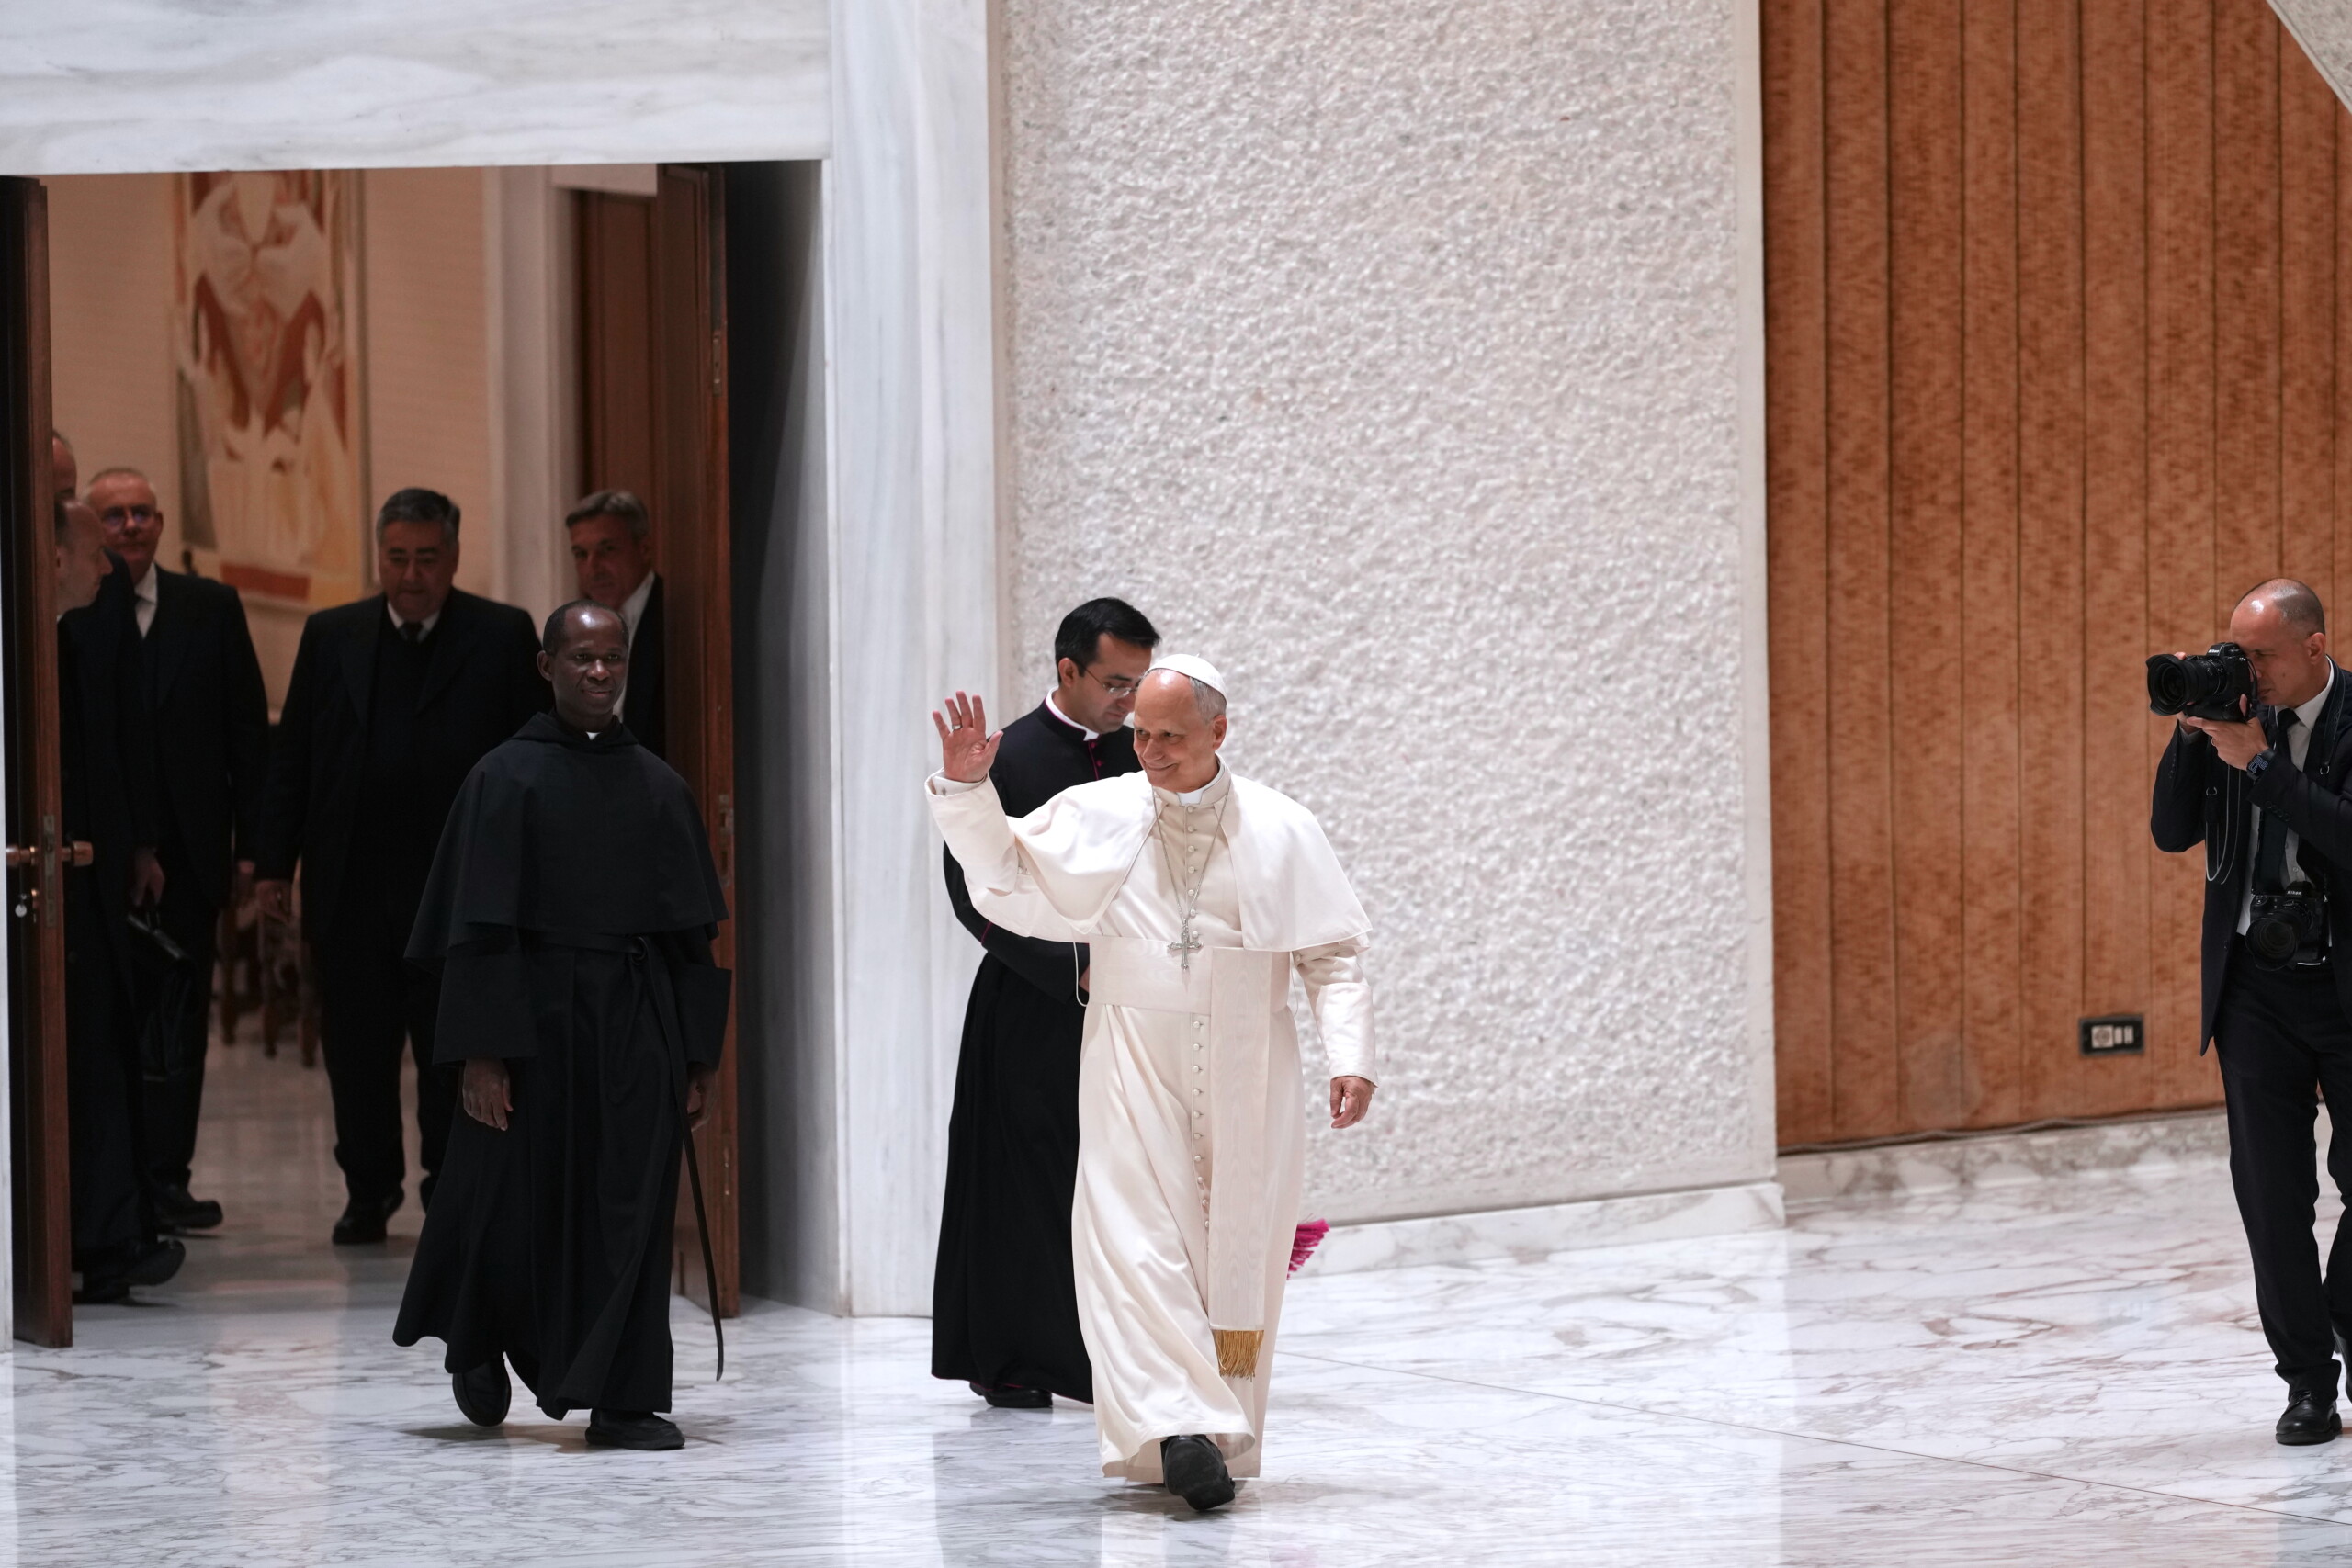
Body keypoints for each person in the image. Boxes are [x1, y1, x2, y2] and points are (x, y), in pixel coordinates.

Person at [927, 658, 1377, 1511]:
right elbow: (1007, 871)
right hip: (1133, 1049)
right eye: (1141, 733)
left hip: (1253, 1058)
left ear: (1219, 730)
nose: (1152, 751)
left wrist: (1350, 1054)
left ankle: (1214, 1432)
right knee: (1132, 1241)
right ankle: (1177, 1430)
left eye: (1171, 735)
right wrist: (966, 789)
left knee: (1234, 1255)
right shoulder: (1100, 812)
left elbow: (1332, 954)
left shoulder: (1281, 826)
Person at [394, 599, 730, 1451]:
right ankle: (478, 1343)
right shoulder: (501, 779)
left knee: (630, 1208)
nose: (599, 672)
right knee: (505, 1201)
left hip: (631, 1022)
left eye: (612, 657)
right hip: (527, 1023)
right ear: (547, 667)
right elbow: (476, 927)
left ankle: (624, 1398)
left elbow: (690, 936)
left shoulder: (660, 787)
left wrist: (696, 1056)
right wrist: (479, 1052)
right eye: (581, 657)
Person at [254, 489, 543, 1246]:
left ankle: (450, 1188)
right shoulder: (332, 635)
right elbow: (295, 762)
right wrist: (272, 865)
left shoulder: (501, 634)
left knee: (453, 1050)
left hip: (458, 890)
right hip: (354, 883)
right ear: (377, 557)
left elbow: (531, 760)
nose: (411, 575)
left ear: (452, 557)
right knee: (358, 1052)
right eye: (397, 557)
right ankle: (368, 1188)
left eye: (427, 558)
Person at [934, 598, 1159, 1411]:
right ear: (1067, 670)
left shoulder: (1146, 761)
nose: (1129, 702)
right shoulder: (1012, 756)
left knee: (1118, 1180)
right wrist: (1072, 967)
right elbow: (971, 894)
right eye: (1114, 682)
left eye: (1140, 682)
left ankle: (1116, 1355)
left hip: (1133, 1002)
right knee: (1024, 1182)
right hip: (1032, 1000)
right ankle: (1017, 1358)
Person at [2154, 577, 2352, 1446]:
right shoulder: (2234, 719)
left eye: (2262, 653)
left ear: (2315, 645)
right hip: (2254, 990)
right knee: (2271, 1199)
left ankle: (2344, 1313)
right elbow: (2169, 830)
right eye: (2236, 650)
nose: (2249, 668)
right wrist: (2195, 730)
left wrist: (2261, 765)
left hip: (2346, 982)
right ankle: (2307, 1382)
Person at [84, 466, 269, 1235]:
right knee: (108, 1023)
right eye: (114, 515)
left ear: (160, 523)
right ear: (90, 529)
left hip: (192, 857)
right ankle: (114, 1181)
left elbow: (246, 733)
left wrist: (257, 850)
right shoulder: (74, 607)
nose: (130, 525)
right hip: (100, 855)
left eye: (142, 513)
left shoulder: (209, 607)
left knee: (180, 1021)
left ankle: (169, 1177)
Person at [54, 495, 181, 1303]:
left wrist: (140, 841)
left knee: (105, 1051)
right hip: (51, 867)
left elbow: (129, 729)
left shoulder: (97, 611)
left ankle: (112, 1230)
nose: (112, 565)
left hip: (94, 867)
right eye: (94, 545)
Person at [565, 491, 667, 761]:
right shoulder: (575, 629)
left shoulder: (675, 617)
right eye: (580, 554)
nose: (592, 567)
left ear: (644, 548)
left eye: (607, 549)